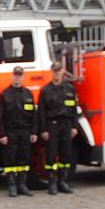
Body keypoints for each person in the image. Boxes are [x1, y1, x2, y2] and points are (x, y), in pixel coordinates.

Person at [0, 66, 38, 197]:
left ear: (23, 77)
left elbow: (34, 115)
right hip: (11, 132)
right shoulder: (5, 94)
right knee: (11, 159)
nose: (17, 77)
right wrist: (2, 134)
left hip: (25, 131)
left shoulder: (28, 93)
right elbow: (0, 116)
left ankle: (22, 185)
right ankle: (12, 186)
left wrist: (34, 132)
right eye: (15, 75)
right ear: (11, 76)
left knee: (24, 158)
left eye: (19, 75)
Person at [39, 61, 79, 195]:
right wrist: (43, 130)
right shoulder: (45, 90)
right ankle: (52, 183)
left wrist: (74, 126)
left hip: (66, 124)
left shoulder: (70, 88)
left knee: (66, 153)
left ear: (62, 71)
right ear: (52, 72)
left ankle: (63, 182)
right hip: (52, 125)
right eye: (55, 70)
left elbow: (74, 109)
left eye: (59, 70)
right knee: (51, 154)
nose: (57, 73)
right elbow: (42, 112)